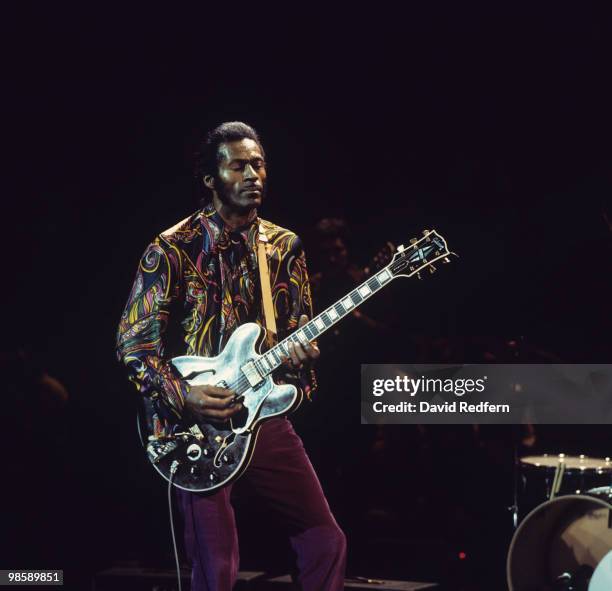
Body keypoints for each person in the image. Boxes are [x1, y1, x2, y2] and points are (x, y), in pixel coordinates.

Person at [116, 121, 346, 591]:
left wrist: (302, 363)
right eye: (238, 165)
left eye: (259, 164)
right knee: (217, 564)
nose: (253, 174)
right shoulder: (172, 248)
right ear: (210, 179)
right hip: (194, 425)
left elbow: (298, 340)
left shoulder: (284, 248)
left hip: (261, 415)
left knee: (326, 539)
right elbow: (133, 345)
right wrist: (187, 395)